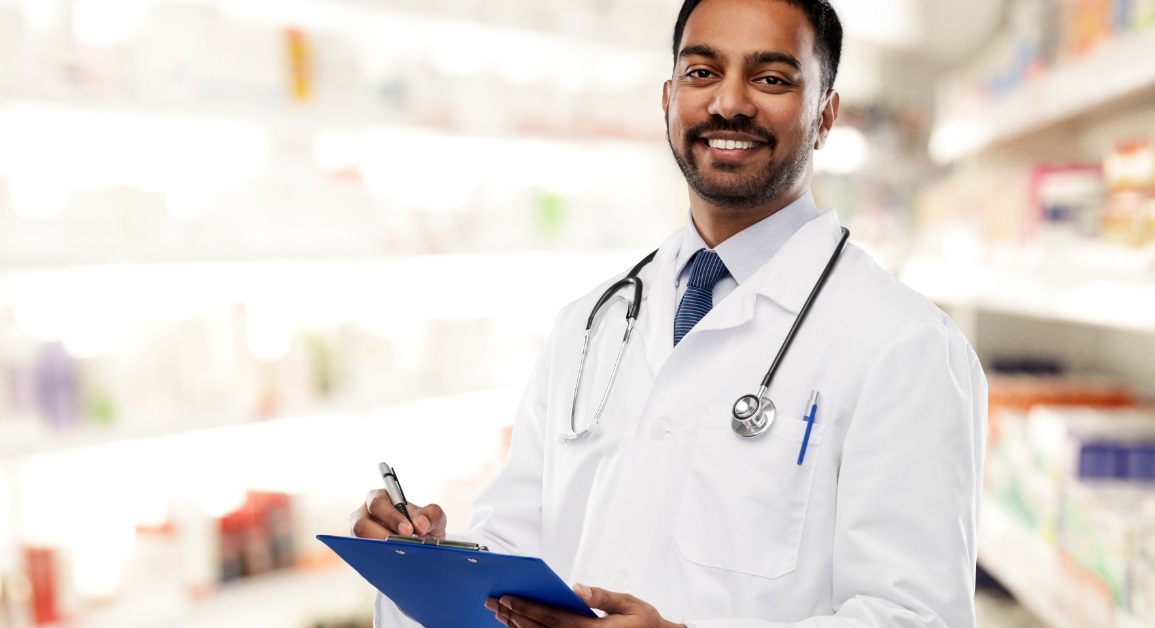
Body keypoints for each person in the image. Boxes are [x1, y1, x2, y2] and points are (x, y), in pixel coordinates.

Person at [350, 0, 987, 625]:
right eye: (702, 72)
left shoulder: (907, 347)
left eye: (770, 78)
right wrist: (425, 566)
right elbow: (512, 565)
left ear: (825, 115)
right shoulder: (589, 325)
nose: (729, 102)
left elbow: (914, 617)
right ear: (668, 98)